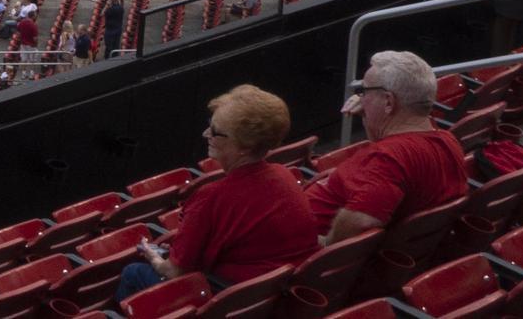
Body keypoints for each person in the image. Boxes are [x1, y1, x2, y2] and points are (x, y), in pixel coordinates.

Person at [115, 85, 317, 302]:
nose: (206, 134)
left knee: (133, 272)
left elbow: (176, 272)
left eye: (215, 131)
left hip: (234, 299)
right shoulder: (284, 174)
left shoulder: (211, 197)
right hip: (273, 294)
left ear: (245, 147)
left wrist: (156, 259)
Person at [306, 51, 467, 244]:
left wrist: (325, 246)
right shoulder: (447, 140)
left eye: (364, 92)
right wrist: (370, 113)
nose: (360, 99)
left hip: (306, 251)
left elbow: (361, 222)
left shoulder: (387, 159)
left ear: (389, 101)